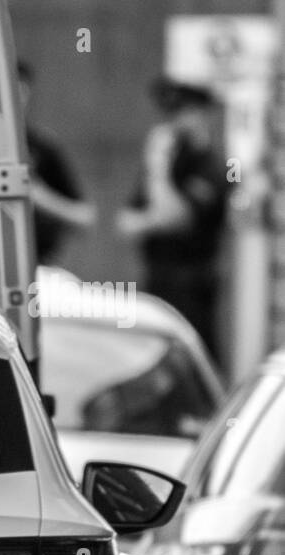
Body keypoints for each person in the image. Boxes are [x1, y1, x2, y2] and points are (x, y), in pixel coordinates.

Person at [117, 78, 231, 368]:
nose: (176, 121)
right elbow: (126, 223)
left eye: (184, 112)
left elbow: (176, 219)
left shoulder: (211, 166)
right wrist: (155, 216)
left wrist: (157, 168)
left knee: (195, 363)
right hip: (157, 279)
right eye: (172, 114)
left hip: (193, 287)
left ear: (203, 114)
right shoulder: (171, 165)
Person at [18, 60, 97, 264]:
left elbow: (84, 217)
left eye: (20, 92)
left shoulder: (43, 148)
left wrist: (39, 196)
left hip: (39, 264)